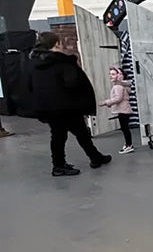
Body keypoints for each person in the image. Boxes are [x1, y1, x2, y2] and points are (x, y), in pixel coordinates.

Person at [29, 32, 111, 176]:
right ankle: (66, 164)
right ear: (56, 44)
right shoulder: (62, 62)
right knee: (79, 133)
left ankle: (86, 158)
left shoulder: (35, 63)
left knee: (60, 135)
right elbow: (72, 82)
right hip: (67, 106)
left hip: (49, 107)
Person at [99, 65, 134, 154]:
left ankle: (128, 145)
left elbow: (118, 98)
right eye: (110, 74)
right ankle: (128, 144)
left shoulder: (118, 87)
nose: (111, 76)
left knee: (125, 128)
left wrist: (106, 102)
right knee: (125, 128)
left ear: (119, 76)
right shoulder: (121, 85)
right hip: (124, 109)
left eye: (113, 74)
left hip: (123, 110)